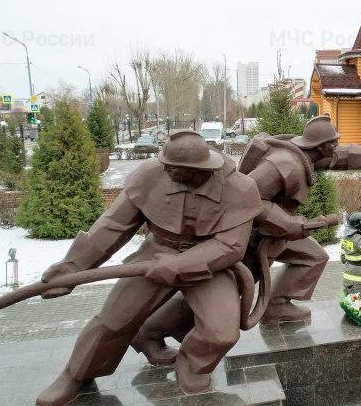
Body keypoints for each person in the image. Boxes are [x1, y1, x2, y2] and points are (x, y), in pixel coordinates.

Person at [130, 116, 361, 361]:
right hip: (247, 238)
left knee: (313, 257)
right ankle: (148, 332)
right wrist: (290, 223)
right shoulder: (284, 165)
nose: (336, 146)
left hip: (275, 235)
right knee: (222, 294)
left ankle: (277, 306)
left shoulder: (308, 154)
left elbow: (341, 156)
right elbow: (249, 198)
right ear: (323, 145)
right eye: (333, 142)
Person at [35, 131, 264, 404]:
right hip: (155, 256)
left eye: (172, 165)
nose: (163, 167)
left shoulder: (241, 189)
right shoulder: (149, 175)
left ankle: (191, 363)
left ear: (196, 169)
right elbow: (113, 226)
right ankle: (76, 375)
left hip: (210, 265)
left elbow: (230, 246)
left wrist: (179, 264)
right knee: (113, 320)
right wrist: (72, 266)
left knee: (222, 331)